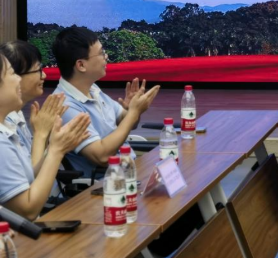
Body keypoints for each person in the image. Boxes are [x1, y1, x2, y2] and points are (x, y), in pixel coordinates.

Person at [51, 26, 160, 177]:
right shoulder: (65, 106)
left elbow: (128, 122)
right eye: (101, 53)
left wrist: (132, 110)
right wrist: (134, 112)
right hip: (107, 184)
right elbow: (101, 156)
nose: (106, 56)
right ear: (81, 65)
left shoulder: (93, 89)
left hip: (129, 171)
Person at [0, 51, 91, 219]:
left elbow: (29, 176)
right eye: (12, 73)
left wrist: (56, 145)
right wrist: (55, 150)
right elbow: (28, 210)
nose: (19, 79)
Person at [0, 40, 69, 171]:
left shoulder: (16, 114)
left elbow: (33, 164)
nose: (44, 75)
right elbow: (30, 180)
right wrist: (42, 134)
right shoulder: (5, 124)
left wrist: (47, 134)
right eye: (38, 70)